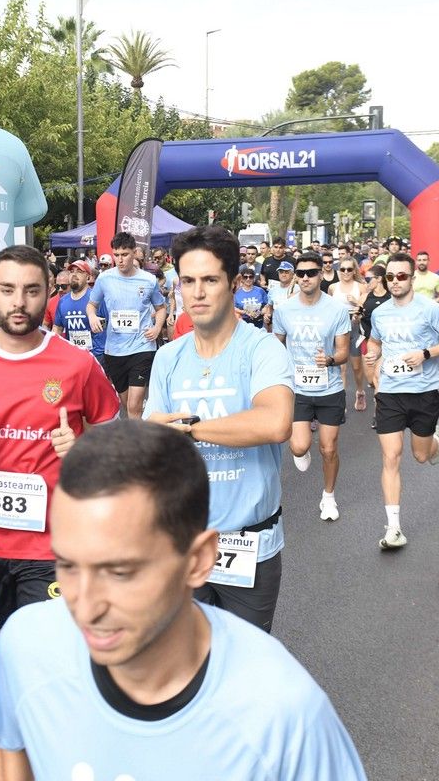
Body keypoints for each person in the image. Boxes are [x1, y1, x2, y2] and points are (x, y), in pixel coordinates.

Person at [0, 420, 367, 780]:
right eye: (67, 565)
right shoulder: (25, 646)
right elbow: (11, 754)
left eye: (121, 572)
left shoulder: (286, 716)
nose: (85, 607)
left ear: (198, 560)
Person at [0, 246, 120, 629]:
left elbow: (115, 439)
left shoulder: (77, 364)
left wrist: (84, 449)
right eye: (7, 289)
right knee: (11, 634)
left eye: (31, 290)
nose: (18, 302)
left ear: (48, 291)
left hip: (57, 541)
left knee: (46, 643)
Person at [144, 226, 294, 633]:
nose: (197, 293)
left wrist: (190, 429)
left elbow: (275, 422)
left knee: (243, 664)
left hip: (249, 544)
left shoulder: (262, 349)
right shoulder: (168, 358)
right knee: (186, 663)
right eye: (188, 281)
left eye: (210, 280)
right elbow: (155, 441)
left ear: (232, 282)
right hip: (184, 544)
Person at [364, 253, 439, 550]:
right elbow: (375, 341)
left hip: (423, 393)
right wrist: (373, 356)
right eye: (390, 277)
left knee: (421, 456)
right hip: (390, 394)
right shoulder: (380, 313)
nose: (395, 282)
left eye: (401, 276)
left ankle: (436, 442)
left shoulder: (429, 309)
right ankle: (394, 528)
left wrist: (425, 354)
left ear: (412, 278)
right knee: (391, 457)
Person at [272, 252, 352, 521]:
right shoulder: (284, 310)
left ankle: (328, 497)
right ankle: (300, 450)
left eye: (311, 273)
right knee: (298, 447)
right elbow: (276, 346)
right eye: (301, 273)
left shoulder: (337, 310)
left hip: (329, 388)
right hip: (298, 389)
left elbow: (343, 352)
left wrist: (329, 360)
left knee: (329, 449)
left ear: (321, 275)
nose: (305, 278)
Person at [88, 232, 167, 419]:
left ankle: (137, 437)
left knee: (134, 406)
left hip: (142, 347)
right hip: (114, 350)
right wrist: (92, 317)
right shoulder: (104, 279)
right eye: (116, 255)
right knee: (126, 405)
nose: (120, 259)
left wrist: (157, 328)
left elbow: (161, 308)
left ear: (134, 252)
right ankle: (136, 430)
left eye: (125, 254)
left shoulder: (148, 280)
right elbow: (91, 305)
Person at [329, 257, 370, 411]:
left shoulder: (361, 287)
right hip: (338, 328)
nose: (346, 272)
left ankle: (360, 391)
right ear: (339, 271)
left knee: (357, 367)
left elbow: (367, 309)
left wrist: (355, 302)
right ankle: (341, 400)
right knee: (341, 367)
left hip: (355, 327)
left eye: (349, 269)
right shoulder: (333, 287)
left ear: (354, 271)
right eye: (343, 269)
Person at [53, 260, 107, 362]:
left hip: (96, 356)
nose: (74, 274)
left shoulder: (96, 299)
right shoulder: (63, 301)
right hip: (73, 356)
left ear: (88, 277)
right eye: (71, 271)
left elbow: (106, 325)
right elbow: (57, 328)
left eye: (79, 271)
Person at [358, 259, 391, 429]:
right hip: (367, 342)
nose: (366, 282)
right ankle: (378, 396)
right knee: (371, 380)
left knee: (379, 379)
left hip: (386, 344)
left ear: (378, 279)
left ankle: (378, 413)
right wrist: (356, 316)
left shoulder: (391, 298)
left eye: (368, 279)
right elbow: (356, 318)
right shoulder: (364, 297)